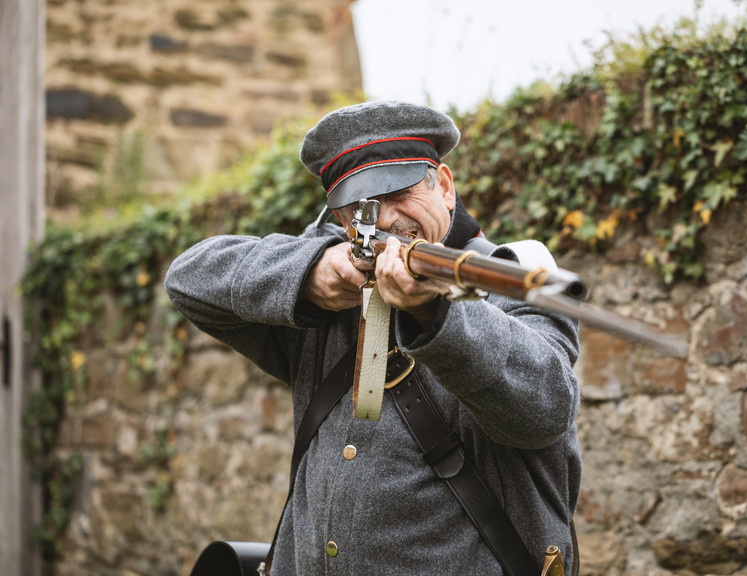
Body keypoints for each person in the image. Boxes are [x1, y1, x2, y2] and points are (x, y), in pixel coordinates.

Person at [165, 101, 581, 575]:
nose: (386, 221)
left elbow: (543, 411)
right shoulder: (330, 295)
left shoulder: (516, 274)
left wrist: (434, 314)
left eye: (401, 193)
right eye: (362, 208)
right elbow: (187, 280)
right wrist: (310, 274)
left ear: (444, 186)